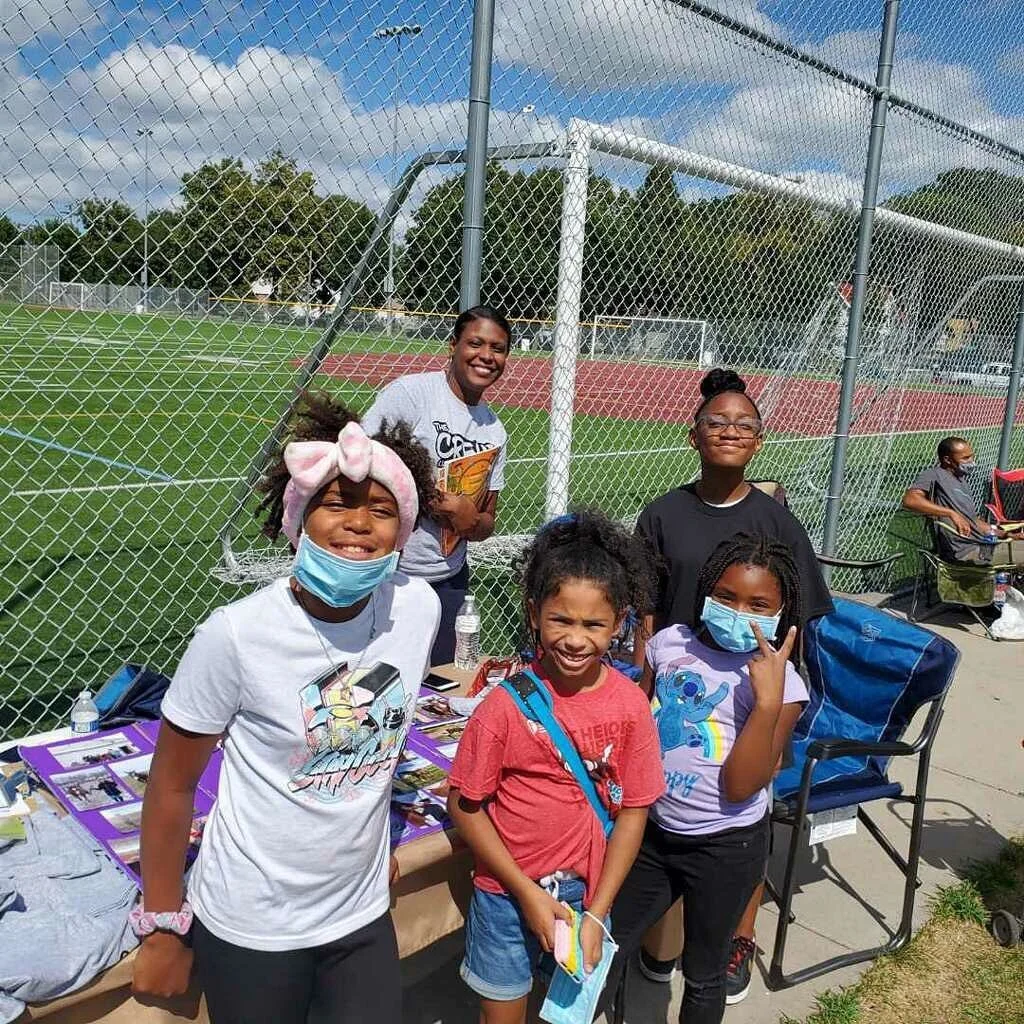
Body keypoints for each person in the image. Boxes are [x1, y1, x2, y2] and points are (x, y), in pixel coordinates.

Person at [132, 394, 440, 1024]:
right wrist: (162, 924)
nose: (359, 522)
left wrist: (367, 848)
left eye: (381, 511)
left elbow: (376, 751)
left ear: (402, 532)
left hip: (358, 914)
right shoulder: (236, 634)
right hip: (252, 922)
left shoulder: (419, 609)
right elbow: (170, 784)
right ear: (296, 520)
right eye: (337, 503)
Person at [632, 367, 832, 1001]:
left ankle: (732, 941)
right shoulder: (663, 512)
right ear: (693, 434)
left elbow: (797, 613)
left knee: (742, 819)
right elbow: (648, 609)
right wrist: (644, 683)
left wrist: (776, 693)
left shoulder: (776, 521)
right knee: (672, 815)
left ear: (759, 440)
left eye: (743, 424)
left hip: (750, 693)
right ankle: (662, 943)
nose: (729, 432)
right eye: (716, 422)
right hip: (684, 688)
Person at [446, 511, 666, 1024]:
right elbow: (465, 804)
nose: (575, 638)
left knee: (569, 1016)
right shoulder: (503, 707)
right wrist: (524, 893)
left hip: (588, 896)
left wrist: (596, 914)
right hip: (505, 896)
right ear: (533, 614)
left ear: (620, 623)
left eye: (594, 624)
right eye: (561, 620)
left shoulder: (631, 705)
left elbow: (634, 812)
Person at [600, 533, 808, 1024]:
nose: (739, 611)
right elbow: (640, 719)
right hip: (650, 831)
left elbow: (740, 786)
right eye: (726, 597)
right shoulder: (670, 644)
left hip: (725, 848)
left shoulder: (784, 687)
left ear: (781, 615)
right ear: (705, 594)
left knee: (704, 971)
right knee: (605, 946)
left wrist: (767, 704)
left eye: (758, 604)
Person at [361, 305, 511, 665]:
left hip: (450, 577)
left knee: (440, 680)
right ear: (453, 346)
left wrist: (469, 521)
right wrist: (437, 502)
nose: (486, 356)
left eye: (498, 348)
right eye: (476, 343)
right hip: (390, 573)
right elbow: (361, 464)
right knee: (377, 676)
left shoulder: (494, 431)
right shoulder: (412, 395)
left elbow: (488, 520)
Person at [902, 436, 1024, 566]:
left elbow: (974, 522)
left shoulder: (962, 481)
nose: (971, 461)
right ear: (947, 459)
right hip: (967, 552)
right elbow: (910, 500)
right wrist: (951, 513)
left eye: (971, 456)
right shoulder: (935, 475)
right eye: (965, 458)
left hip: (985, 544)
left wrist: (1006, 534)